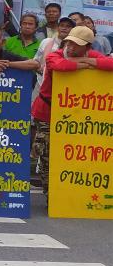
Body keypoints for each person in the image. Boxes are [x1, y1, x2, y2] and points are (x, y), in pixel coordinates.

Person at [31, 26, 113, 194]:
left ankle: (71, 193)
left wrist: (90, 61)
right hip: (48, 112)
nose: (71, 47)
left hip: (76, 115)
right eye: (70, 42)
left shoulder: (91, 55)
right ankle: (50, 193)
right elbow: (59, 65)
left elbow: (110, 63)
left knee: (73, 154)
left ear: (88, 47)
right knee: (47, 154)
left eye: (77, 44)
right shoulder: (56, 55)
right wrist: (83, 65)